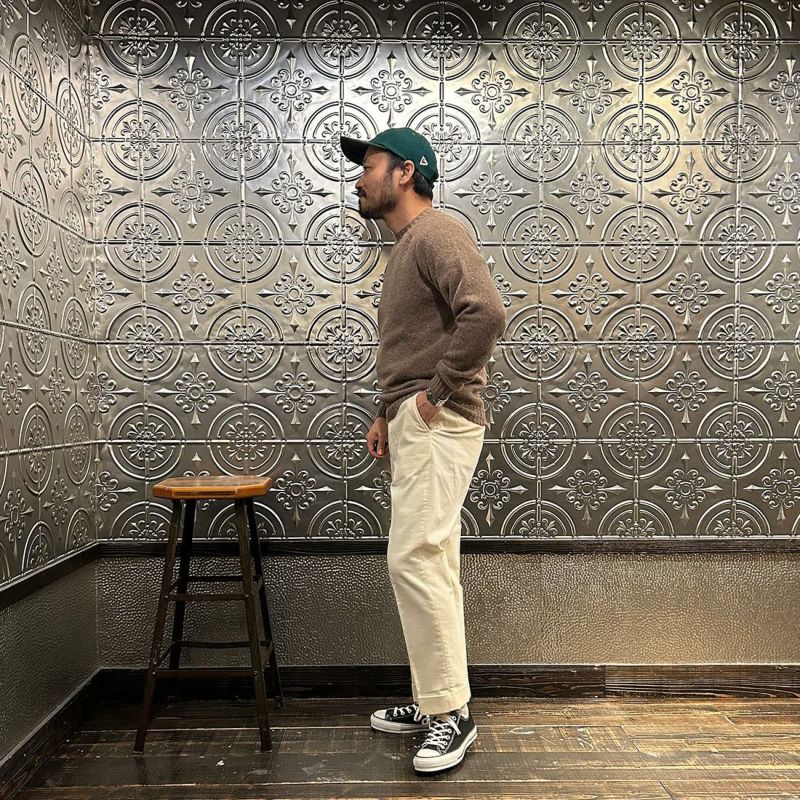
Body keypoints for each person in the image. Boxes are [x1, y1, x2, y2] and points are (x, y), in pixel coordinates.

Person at [340, 127, 506, 773]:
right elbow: (415, 345)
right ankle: (436, 697)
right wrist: (388, 412)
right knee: (431, 563)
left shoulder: (437, 232)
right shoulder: (409, 244)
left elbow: (486, 313)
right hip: (416, 420)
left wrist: (433, 397)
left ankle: (451, 716)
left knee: (415, 559)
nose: (359, 178)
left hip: (439, 421)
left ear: (405, 172)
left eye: (370, 165)